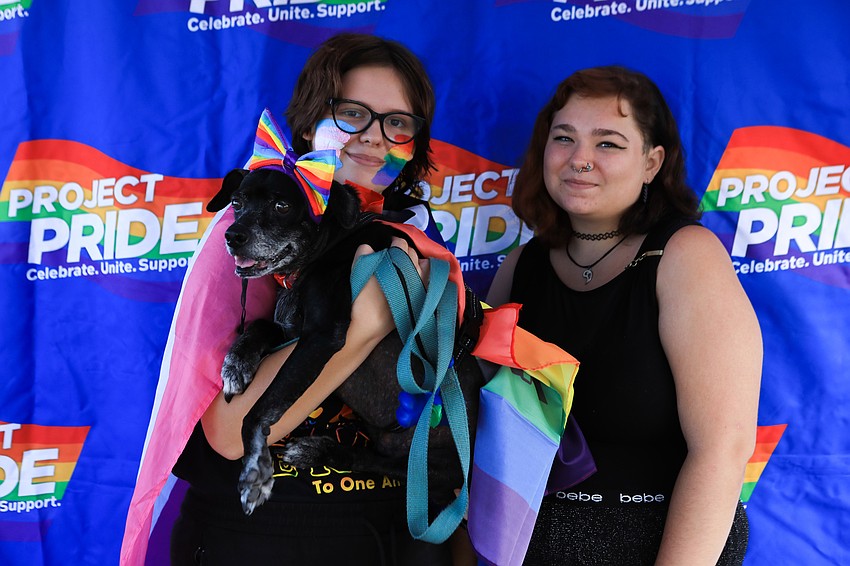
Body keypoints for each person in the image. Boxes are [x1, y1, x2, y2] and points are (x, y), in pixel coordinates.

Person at [169, 33, 467, 565]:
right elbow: (229, 434)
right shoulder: (255, 230)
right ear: (309, 123)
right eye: (353, 113)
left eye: (397, 122)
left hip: (393, 534)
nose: (374, 138)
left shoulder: (418, 238)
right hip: (263, 533)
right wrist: (366, 323)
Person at [486, 66, 762, 565]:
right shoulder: (520, 266)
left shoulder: (685, 256)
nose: (579, 160)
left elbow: (724, 450)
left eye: (608, 143)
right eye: (563, 138)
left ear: (652, 162)